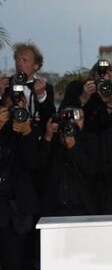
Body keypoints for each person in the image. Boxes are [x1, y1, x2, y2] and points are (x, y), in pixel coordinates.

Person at [36, 107, 100, 216]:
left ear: (84, 120)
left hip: (84, 208)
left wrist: (73, 146)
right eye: (68, 118)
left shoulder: (92, 141)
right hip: (54, 209)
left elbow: (92, 170)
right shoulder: (52, 140)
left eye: (77, 118)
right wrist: (48, 136)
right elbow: (38, 165)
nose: (73, 122)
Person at [0, 95, 40, 270]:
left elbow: (33, 164)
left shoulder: (30, 130)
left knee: (16, 263)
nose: (16, 112)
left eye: (20, 106)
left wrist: (27, 134)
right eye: (11, 109)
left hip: (17, 213)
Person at [0, 42, 55, 133]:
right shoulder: (5, 84)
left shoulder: (45, 87)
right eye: (17, 60)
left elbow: (49, 117)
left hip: (36, 139)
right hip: (10, 137)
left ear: (36, 65)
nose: (20, 64)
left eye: (25, 60)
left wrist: (41, 96)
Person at [59, 60, 112, 135]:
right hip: (78, 138)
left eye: (109, 74)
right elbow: (62, 115)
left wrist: (110, 103)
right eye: (101, 75)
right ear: (92, 77)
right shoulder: (77, 87)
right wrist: (83, 98)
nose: (104, 79)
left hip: (101, 141)